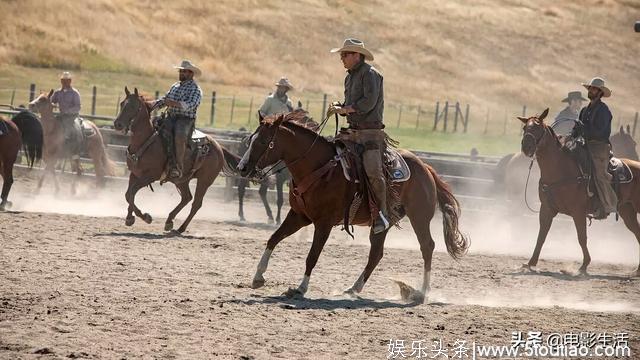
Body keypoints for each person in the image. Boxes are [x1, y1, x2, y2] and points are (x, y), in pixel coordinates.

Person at [329, 38, 389, 234]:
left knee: (374, 173)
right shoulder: (349, 77)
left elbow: (368, 102)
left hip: (370, 134)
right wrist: (340, 106)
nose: (341, 58)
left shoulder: (371, 75)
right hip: (352, 132)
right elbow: (351, 103)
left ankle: (382, 214)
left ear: (356, 55)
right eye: (341, 55)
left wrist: (346, 109)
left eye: (344, 55)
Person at [154, 60, 203, 178]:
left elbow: (191, 105)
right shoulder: (175, 86)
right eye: (180, 71)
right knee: (154, 126)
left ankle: (178, 166)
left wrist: (174, 103)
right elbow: (165, 99)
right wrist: (153, 105)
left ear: (191, 73)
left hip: (185, 120)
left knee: (180, 136)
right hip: (171, 116)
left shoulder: (195, 89)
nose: (181, 73)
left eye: (184, 71)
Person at [578, 77, 617, 219]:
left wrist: (585, 133)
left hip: (599, 147)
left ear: (600, 92)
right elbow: (578, 127)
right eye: (590, 88)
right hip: (584, 146)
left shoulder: (604, 110)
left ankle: (607, 205)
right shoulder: (584, 110)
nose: (591, 90)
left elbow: (602, 132)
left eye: (594, 89)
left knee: (600, 174)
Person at [51, 71, 82, 160]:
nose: (64, 82)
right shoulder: (57, 92)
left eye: (66, 80)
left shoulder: (74, 93)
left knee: (68, 128)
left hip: (72, 116)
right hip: (61, 116)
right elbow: (52, 101)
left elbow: (78, 107)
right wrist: (52, 104)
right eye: (63, 80)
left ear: (70, 81)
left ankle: (68, 146)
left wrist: (67, 111)